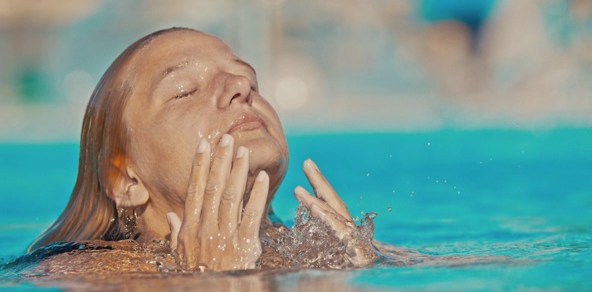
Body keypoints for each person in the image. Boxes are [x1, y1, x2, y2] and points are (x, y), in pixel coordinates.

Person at [26, 27, 388, 274]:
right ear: (124, 179)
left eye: (249, 78)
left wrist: (365, 269)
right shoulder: (84, 275)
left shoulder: (312, 249)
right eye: (185, 90)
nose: (240, 85)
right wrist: (212, 279)